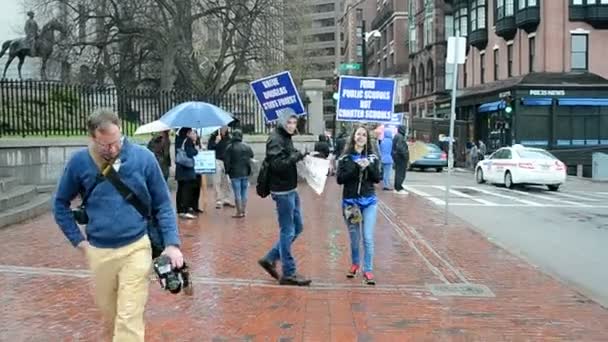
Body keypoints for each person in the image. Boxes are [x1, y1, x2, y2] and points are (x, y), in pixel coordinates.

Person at [52, 108, 183, 341]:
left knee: (128, 317)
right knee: (111, 317)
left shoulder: (144, 158)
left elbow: (162, 203)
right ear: (92, 138)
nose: (113, 149)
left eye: (117, 141)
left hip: (136, 248)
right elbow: (60, 204)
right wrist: (79, 243)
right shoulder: (79, 162)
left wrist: (172, 243)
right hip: (99, 252)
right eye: (105, 145)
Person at [257, 109, 311, 286]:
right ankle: (289, 272)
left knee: (298, 227)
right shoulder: (275, 139)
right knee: (287, 230)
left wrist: (301, 154)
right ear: (281, 122)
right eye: (288, 122)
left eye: (294, 123)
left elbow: (288, 156)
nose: (291, 126)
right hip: (282, 191)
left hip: (290, 188)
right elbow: (278, 165)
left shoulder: (285, 138)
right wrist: (297, 155)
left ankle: (270, 257)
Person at [337, 125, 382, 285]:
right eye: (358, 134)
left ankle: (368, 269)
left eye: (364, 135)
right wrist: (356, 168)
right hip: (351, 204)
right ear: (353, 137)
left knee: (368, 237)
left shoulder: (372, 157)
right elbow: (340, 179)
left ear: (367, 139)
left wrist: (368, 166)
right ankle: (355, 263)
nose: (361, 137)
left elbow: (377, 178)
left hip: (369, 201)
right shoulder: (346, 158)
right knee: (355, 238)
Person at [223, 129, 254, 218]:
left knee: (237, 192)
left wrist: (227, 171)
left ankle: (239, 211)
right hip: (245, 172)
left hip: (234, 173)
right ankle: (243, 210)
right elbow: (251, 156)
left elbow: (227, 161)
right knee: (244, 192)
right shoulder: (246, 146)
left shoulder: (230, 147)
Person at [208, 126, 235, 209]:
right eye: (223, 127)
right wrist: (216, 141)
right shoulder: (214, 136)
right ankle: (218, 200)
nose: (225, 128)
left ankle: (227, 199)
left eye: (226, 127)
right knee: (217, 181)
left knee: (227, 181)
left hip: (226, 161)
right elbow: (209, 147)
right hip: (217, 160)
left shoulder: (230, 137)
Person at [175, 128, 198, 219]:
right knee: (186, 190)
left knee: (180, 189)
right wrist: (195, 149)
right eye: (193, 132)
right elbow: (190, 153)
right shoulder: (188, 141)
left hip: (180, 169)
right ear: (188, 133)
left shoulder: (178, 139)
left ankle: (180, 210)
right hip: (186, 170)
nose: (194, 134)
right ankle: (185, 210)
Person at [391, 125, 409, 195]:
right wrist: (405, 156)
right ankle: (398, 188)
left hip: (397, 157)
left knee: (398, 173)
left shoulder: (397, 136)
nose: (406, 131)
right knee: (401, 174)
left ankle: (397, 187)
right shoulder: (400, 137)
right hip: (401, 158)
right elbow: (401, 148)